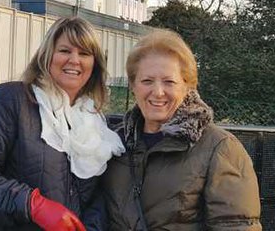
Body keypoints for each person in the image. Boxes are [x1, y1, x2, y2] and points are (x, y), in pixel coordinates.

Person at [0, 17, 125, 230]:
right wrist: (32, 205)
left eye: (84, 53)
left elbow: (99, 196)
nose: (74, 60)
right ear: (47, 55)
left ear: (94, 64)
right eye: (64, 51)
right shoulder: (13, 98)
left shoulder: (95, 122)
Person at [103, 29, 262, 230]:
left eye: (169, 82)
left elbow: (236, 225)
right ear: (133, 86)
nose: (158, 92)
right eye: (147, 81)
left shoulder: (219, 148)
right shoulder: (114, 145)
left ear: (187, 87)